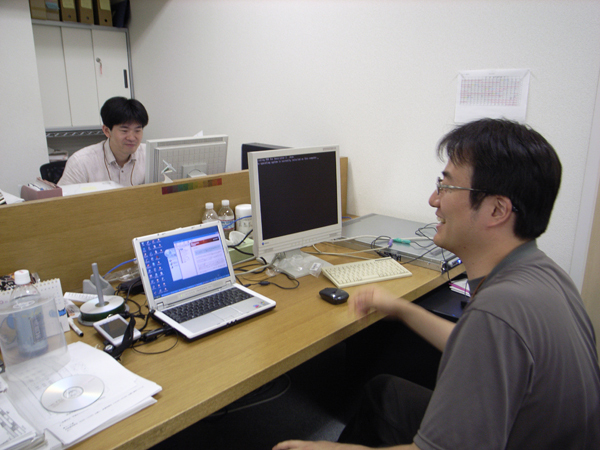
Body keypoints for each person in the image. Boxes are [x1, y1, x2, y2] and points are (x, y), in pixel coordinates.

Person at [273, 118, 600, 450]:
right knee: (384, 392)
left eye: (447, 187)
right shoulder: (545, 274)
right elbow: (471, 343)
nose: (433, 200)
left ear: (497, 210)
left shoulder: (497, 311)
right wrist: (402, 309)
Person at [57, 97, 148, 186]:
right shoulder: (81, 162)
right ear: (107, 131)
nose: (131, 138)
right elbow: (64, 195)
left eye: (137, 130)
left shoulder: (150, 155)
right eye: (124, 131)